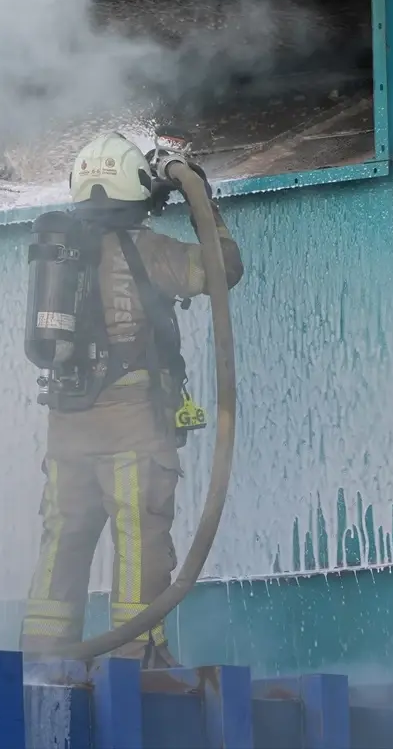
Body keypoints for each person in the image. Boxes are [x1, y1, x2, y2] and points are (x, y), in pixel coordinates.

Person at [20, 133, 244, 669]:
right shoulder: (150, 251)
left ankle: (42, 660)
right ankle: (136, 659)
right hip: (131, 432)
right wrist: (197, 193)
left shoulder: (61, 254)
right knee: (139, 540)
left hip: (67, 431)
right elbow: (224, 268)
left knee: (62, 541)